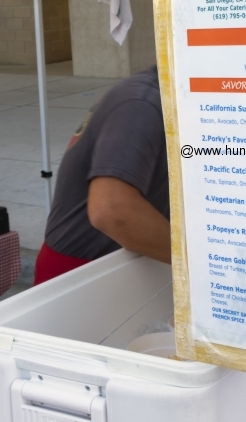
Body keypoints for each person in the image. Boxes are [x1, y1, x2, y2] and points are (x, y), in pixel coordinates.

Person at [34, 66, 171, 285]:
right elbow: (113, 210)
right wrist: (202, 265)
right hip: (82, 274)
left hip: (124, 263)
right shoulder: (142, 102)